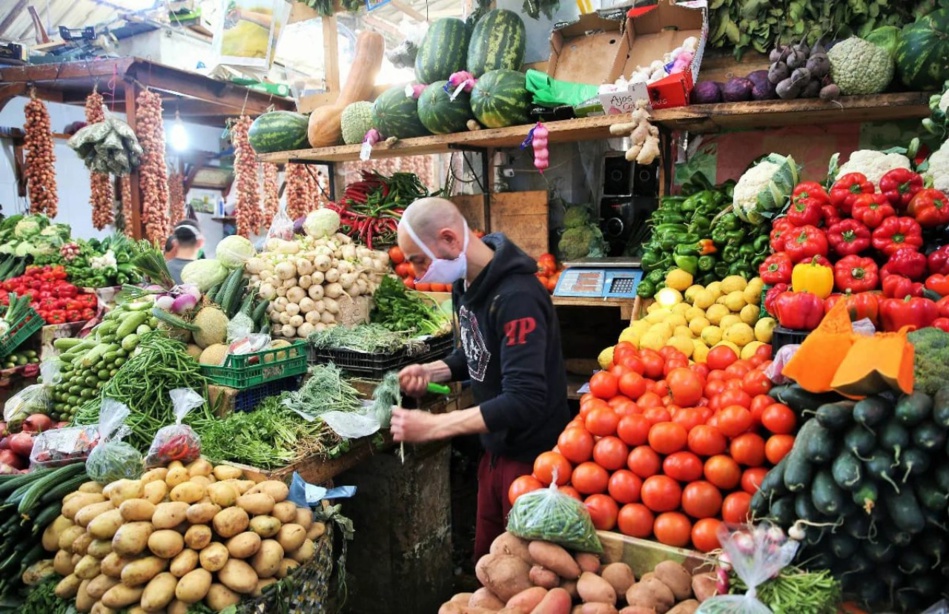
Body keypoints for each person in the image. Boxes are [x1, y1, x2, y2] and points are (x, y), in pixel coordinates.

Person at [390, 197, 570, 560]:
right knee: (490, 562)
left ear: (450, 240)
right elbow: (475, 351)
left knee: (525, 569)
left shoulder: (518, 297)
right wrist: (434, 369)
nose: (419, 273)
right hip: (493, 451)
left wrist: (438, 426)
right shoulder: (466, 285)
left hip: (533, 459)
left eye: (419, 260)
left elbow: (524, 398)